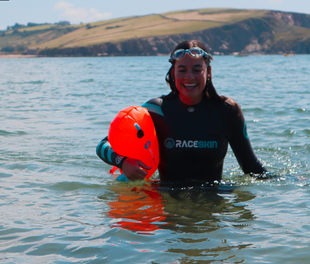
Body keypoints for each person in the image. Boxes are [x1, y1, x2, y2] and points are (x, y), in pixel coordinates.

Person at [97, 40, 268, 183]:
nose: (189, 77)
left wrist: (288, 183)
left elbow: (251, 167)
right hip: (168, 204)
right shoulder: (155, 110)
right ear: (173, 74)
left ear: (208, 72)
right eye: (182, 70)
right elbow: (104, 145)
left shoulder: (227, 111)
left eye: (197, 69)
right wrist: (123, 162)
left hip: (213, 203)